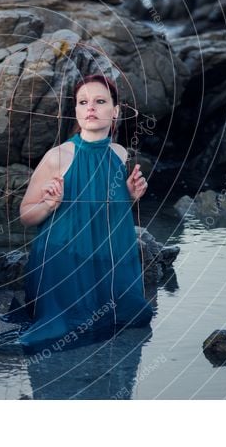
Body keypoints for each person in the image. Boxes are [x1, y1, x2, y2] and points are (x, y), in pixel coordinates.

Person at [15, 73, 153, 351]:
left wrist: (130, 196)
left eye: (100, 101)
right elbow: (26, 215)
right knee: (64, 333)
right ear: (76, 111)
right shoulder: (58, 156)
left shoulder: (120, 154)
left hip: (106, 258)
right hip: (64, 261)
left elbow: (106, 209)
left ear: (114, 112)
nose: (90, 107)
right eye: (83, 102)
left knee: (131, 317)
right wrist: (49, 204)